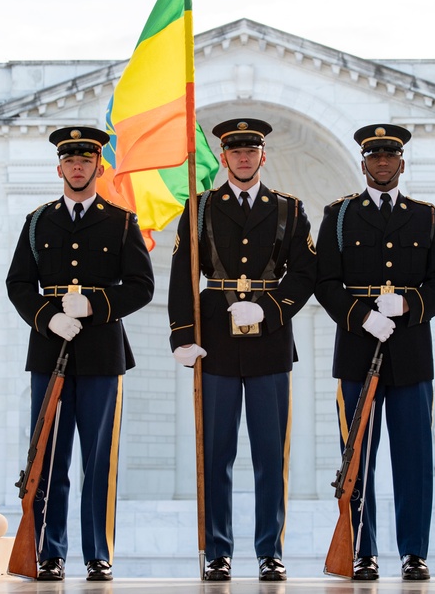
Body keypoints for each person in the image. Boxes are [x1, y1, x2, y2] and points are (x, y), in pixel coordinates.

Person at [167, 118, 317, 582]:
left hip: (270, 343)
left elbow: (306, 273)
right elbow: (181, 274)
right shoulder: (199, 208)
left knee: (271, 453)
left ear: (263, 156)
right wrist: (183, 335)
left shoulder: (289, 209)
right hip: (215, 339)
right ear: (224, 157)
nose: (244, 158)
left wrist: (270, 311)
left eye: (251, 150)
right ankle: (218, 550)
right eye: (235, 151)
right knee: (217, 454)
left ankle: (270, 551)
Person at [6, 126, 154, 582]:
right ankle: (51, 552)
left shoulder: (121, 221)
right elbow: (17, 284)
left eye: (85, 160)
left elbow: (142, 287)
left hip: (101, 354)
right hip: (49, 350)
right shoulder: (37, 222)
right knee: (49, 457)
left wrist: (95, 305)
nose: (77, 166)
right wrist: (47, 317)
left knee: (98, 460)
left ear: (98, 166)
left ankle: (98, 553)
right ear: (60, 168)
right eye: (70, 159)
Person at [314, 123, 435, 581]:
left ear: (400, 163)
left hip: (411, 350)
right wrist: (361, 316)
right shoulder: (338, 216)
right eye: (374, 156)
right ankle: (363, 550)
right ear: (363, 163)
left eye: (389, 156)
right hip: (358, 348)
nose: (381, 163)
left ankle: (414, 551)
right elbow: (324, 282)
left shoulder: (426, 216)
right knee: (358, 459)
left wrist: (410, 305)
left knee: (413, 458)